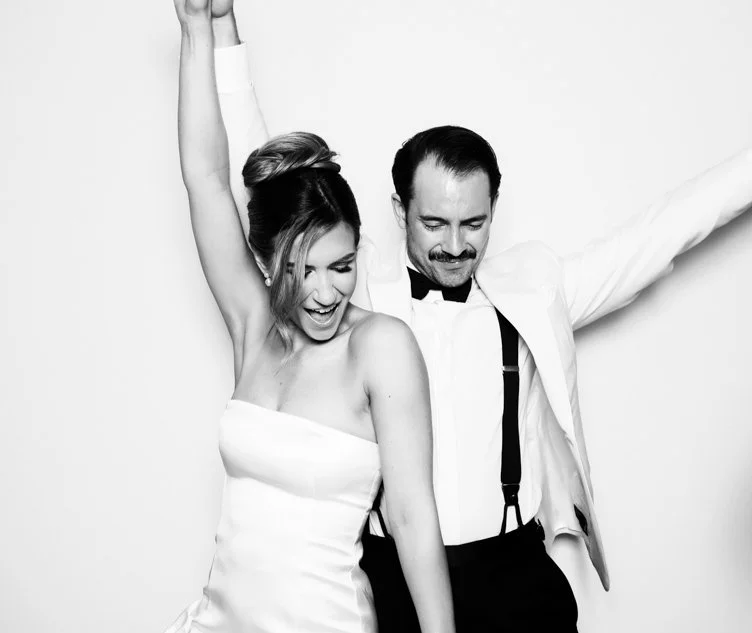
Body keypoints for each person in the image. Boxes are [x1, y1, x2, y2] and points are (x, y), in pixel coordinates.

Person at [209, 3, 752, 632]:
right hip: (394, 578)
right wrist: (223, 31)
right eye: (434, 223)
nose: (455, 245)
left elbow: (661, 233)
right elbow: (272, 185)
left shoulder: (533, 289)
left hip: (513, 574)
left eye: (474, 223)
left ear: (495, 207)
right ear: (398, 210)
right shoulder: (355, 298)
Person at [165, 2, 456, 633]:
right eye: (303, 270)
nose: (326, 292)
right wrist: (195, 26)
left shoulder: (379, 347)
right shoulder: (253, 328)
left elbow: (411, 516)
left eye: (342, 265)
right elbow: (205, 177)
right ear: (268, 261)